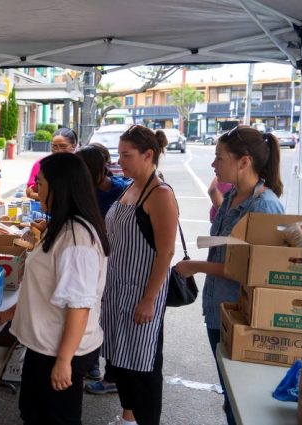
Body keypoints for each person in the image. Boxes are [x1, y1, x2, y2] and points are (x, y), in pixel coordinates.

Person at [174, 126, 284, 425]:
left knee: (242, 401)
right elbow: (230, 245)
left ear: (244, 161)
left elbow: (255, 271)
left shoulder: (265, 206)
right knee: (230, 394)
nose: (213, 165)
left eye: (219, 158)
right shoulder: (234, 196)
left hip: (242, 316)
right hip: (218, 310)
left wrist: (195, 266)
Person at [0, 153, 110, 424]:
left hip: (60, 350)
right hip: (44, 346)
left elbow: (79, 305)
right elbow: (46, 289)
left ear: (60, 187)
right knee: (32, 413)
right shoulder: (60, 226)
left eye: (41, 183)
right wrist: (11, 313)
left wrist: (64, 361)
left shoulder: (77, 238)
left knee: (55, 419)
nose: (35, 189)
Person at [101, 125, 177, 425]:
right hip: (117, 290)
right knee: (120, 362)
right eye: (119, 155)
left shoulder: (159, 194)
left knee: (143, 367)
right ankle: (128, 417)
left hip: (141, 294)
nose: (121, 161)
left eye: (127, 155)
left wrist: (148, 299)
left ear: (149, 155)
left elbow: (166, 252)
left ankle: (146, 420)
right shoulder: (130, 187)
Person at [76, 143, 130, 391]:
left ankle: (108, 372)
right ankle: (91, 364)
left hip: (112, 261)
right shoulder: (83, 189)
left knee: (104, 314)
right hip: (89, 257)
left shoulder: (120, 191)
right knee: (93, 310)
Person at [25, 127, 79, 200]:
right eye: (54, 146)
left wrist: (36, 195)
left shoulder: (80, 166)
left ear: (74, 146)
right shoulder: (40, 164)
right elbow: (30, 190)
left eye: (63, 146)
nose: (58, 150)